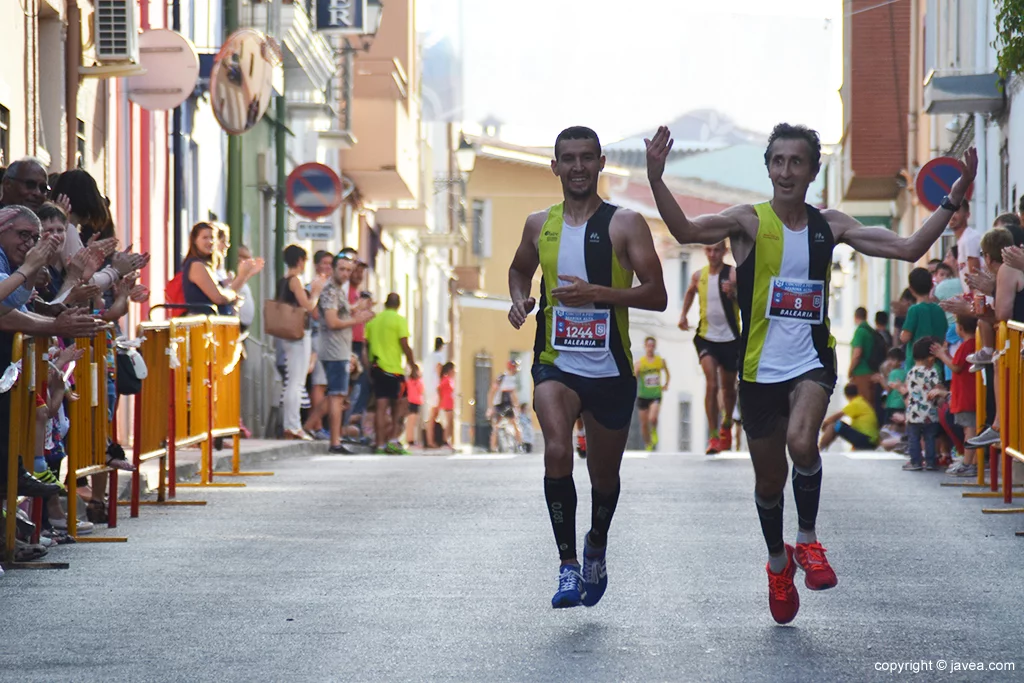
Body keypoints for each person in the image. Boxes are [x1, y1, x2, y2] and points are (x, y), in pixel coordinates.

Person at [646, 122, 976, 624]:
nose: (785, 171)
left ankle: (807, 541)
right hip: (758, 371)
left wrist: (951, 200)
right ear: (769, 168)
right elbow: (687, 231)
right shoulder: (749, 222)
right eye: (777, 162)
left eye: (796, 162)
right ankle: (778, 565)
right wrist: (656, 177)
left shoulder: (831, 226)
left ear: (812, 170)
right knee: (768, 483)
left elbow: (908, 248)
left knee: (803, 443)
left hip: (812, 362)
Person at [508, 125, 667, 609]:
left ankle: (596, 542)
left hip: (610, 369)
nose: (577, 166)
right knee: (556, 449)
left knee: (603, 477)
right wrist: (521, 300)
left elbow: (657, 294)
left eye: (586, 157)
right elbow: (519, 269)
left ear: (601, 164)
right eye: (568, 158)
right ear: (554, 166)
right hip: (555, 362)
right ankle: (568, 566)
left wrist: (598, 293)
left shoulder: (626, 224)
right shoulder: (539, 224)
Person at [680, 240, 740, 453]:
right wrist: (683, 315)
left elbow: (747, 302)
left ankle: (726, 426)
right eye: (709, 250)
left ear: (724, 251)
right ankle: (713, 436)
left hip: (730, 339)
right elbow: (689, 292)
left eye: (717, 250)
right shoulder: (699, 276)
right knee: (711, 384)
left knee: (728, 389)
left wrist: (734, 293)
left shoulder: (733, 274)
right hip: (706, 337)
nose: (712, 254)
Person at [317, 254, 373, 453]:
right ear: (333, 269)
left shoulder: (338, 291)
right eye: (342, 269)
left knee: (338, 396)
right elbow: (332, 322)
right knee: (336, 396)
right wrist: (358, 320)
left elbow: (342, 312)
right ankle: (335, 442)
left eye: (349, 270)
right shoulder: (331, 291)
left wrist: (358, 310)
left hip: (339, 349)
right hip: (334, 351)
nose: (346, 273)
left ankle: (334, 438)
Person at [277, 244, 327, 440]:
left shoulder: (282, 281)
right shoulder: (295, 281)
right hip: (298, 334)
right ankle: (293, 425)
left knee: (293, 380)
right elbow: (307, 307)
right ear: (300, 260)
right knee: (296, 381)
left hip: (287, 333)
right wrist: (315, 292)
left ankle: (291, 424)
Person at [364, 293, 416, 455]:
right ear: (398, 305)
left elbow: (365, 346)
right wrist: (412, 365)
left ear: (385, 304)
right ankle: (392, 441)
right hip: (394, 370)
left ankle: (380, 445)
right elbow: (404, 344)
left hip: (377, 368)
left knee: (380, 406)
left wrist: (368, 368)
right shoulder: (399, 320)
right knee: (398, 406)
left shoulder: (373, 322)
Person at [930, 316, 979, 477]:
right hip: (969, 393)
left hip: (966, 395)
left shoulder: (966, 345)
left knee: (969, 429)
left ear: (961, 328)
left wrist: (941, 355)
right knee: (970, 428)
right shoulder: (973, 344)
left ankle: (968, 463)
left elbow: (956, 367)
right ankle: (971, 462)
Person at [183, 222, 263, 316]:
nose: (210, 242)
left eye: (212, 238)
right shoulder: (196, 265)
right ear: (195, 241)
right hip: (203, 324)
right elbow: (218, 297)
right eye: (205, 238)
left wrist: (245, 275)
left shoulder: (206, 265)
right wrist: (232, 295)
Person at [304, 250, 339, 440]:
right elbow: (315, 313)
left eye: (330, 264)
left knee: (322, 384)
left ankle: (317, 425)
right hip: (319, 336)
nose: (327, 267)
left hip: (325, 336)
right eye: (324, 263)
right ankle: (316, 425)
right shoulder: (317, 286)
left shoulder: (329, 286)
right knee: (319, 383)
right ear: (317, 265)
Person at [902, 338, 944, 471]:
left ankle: (916, 462)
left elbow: (908, 390)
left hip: (913, 412)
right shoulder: (932, 372)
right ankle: (931, 462)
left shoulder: (910, 372)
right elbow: (937, 387)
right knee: (929, 438)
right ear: (931, 358)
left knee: (913, 438)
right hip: (930, 412)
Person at [900, 268, 947, 376]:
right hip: (937, 362)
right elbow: (944, 334)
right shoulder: (939, 309)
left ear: (911, 289)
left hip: (917, 364)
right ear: (931, 286)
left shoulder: (914, 310)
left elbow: (905, 337)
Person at [818, 383, 878, 451]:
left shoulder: (856, 403)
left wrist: (824, 425)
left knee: (835, 425)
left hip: (867, 439)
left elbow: (835, 417)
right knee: (838, 426)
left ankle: (820, 449)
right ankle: (823, 448)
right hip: (870, 439)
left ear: (846, 395)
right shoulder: (861, 401)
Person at [635, 336, 669, 451]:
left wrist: (666, 384)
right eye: (648, 346)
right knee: (644, 425)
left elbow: (668, 373)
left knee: (652, 418)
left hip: (655, 394)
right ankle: (648, 444)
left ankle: (654, 430)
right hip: (643, 395)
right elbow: (634, 377)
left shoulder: (660, 361)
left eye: (652, 346)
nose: (650, 348)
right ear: (645, 347)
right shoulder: (640, 363)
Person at [487, 361, 522, 452]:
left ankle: (519, 445)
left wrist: (517, 405)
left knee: (514, 424)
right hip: (500, 404)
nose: (516, 370)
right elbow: (492, 392)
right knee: (496, 427)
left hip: (507, 404)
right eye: (515, 368)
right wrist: (490, 407)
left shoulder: (511, 379)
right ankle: (493, 448)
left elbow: (513, 394)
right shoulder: (502, 378)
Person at [848, 307, 878, 404]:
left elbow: (857, 354)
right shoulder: (870, 331)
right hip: (871, 371)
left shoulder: (860, 331)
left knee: (863, 403)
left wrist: (850, 370)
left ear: (855, 317)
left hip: (861, 372)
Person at [404, 365, 424, 448]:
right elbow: (421, 390)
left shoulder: (413, 381)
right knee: (411, 422)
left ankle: (411, 439)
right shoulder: (412, 381)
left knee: (413, 422)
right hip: (412, 402)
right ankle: (410, 440)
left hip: (416, 402)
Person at [437, 362, 456, 447]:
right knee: (448, 423)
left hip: (450, 403)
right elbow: (439, 389)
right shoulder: (446, 379)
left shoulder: (450, 379)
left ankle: (448, 440)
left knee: (450, 422)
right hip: (446, 403)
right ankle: (445, 440)